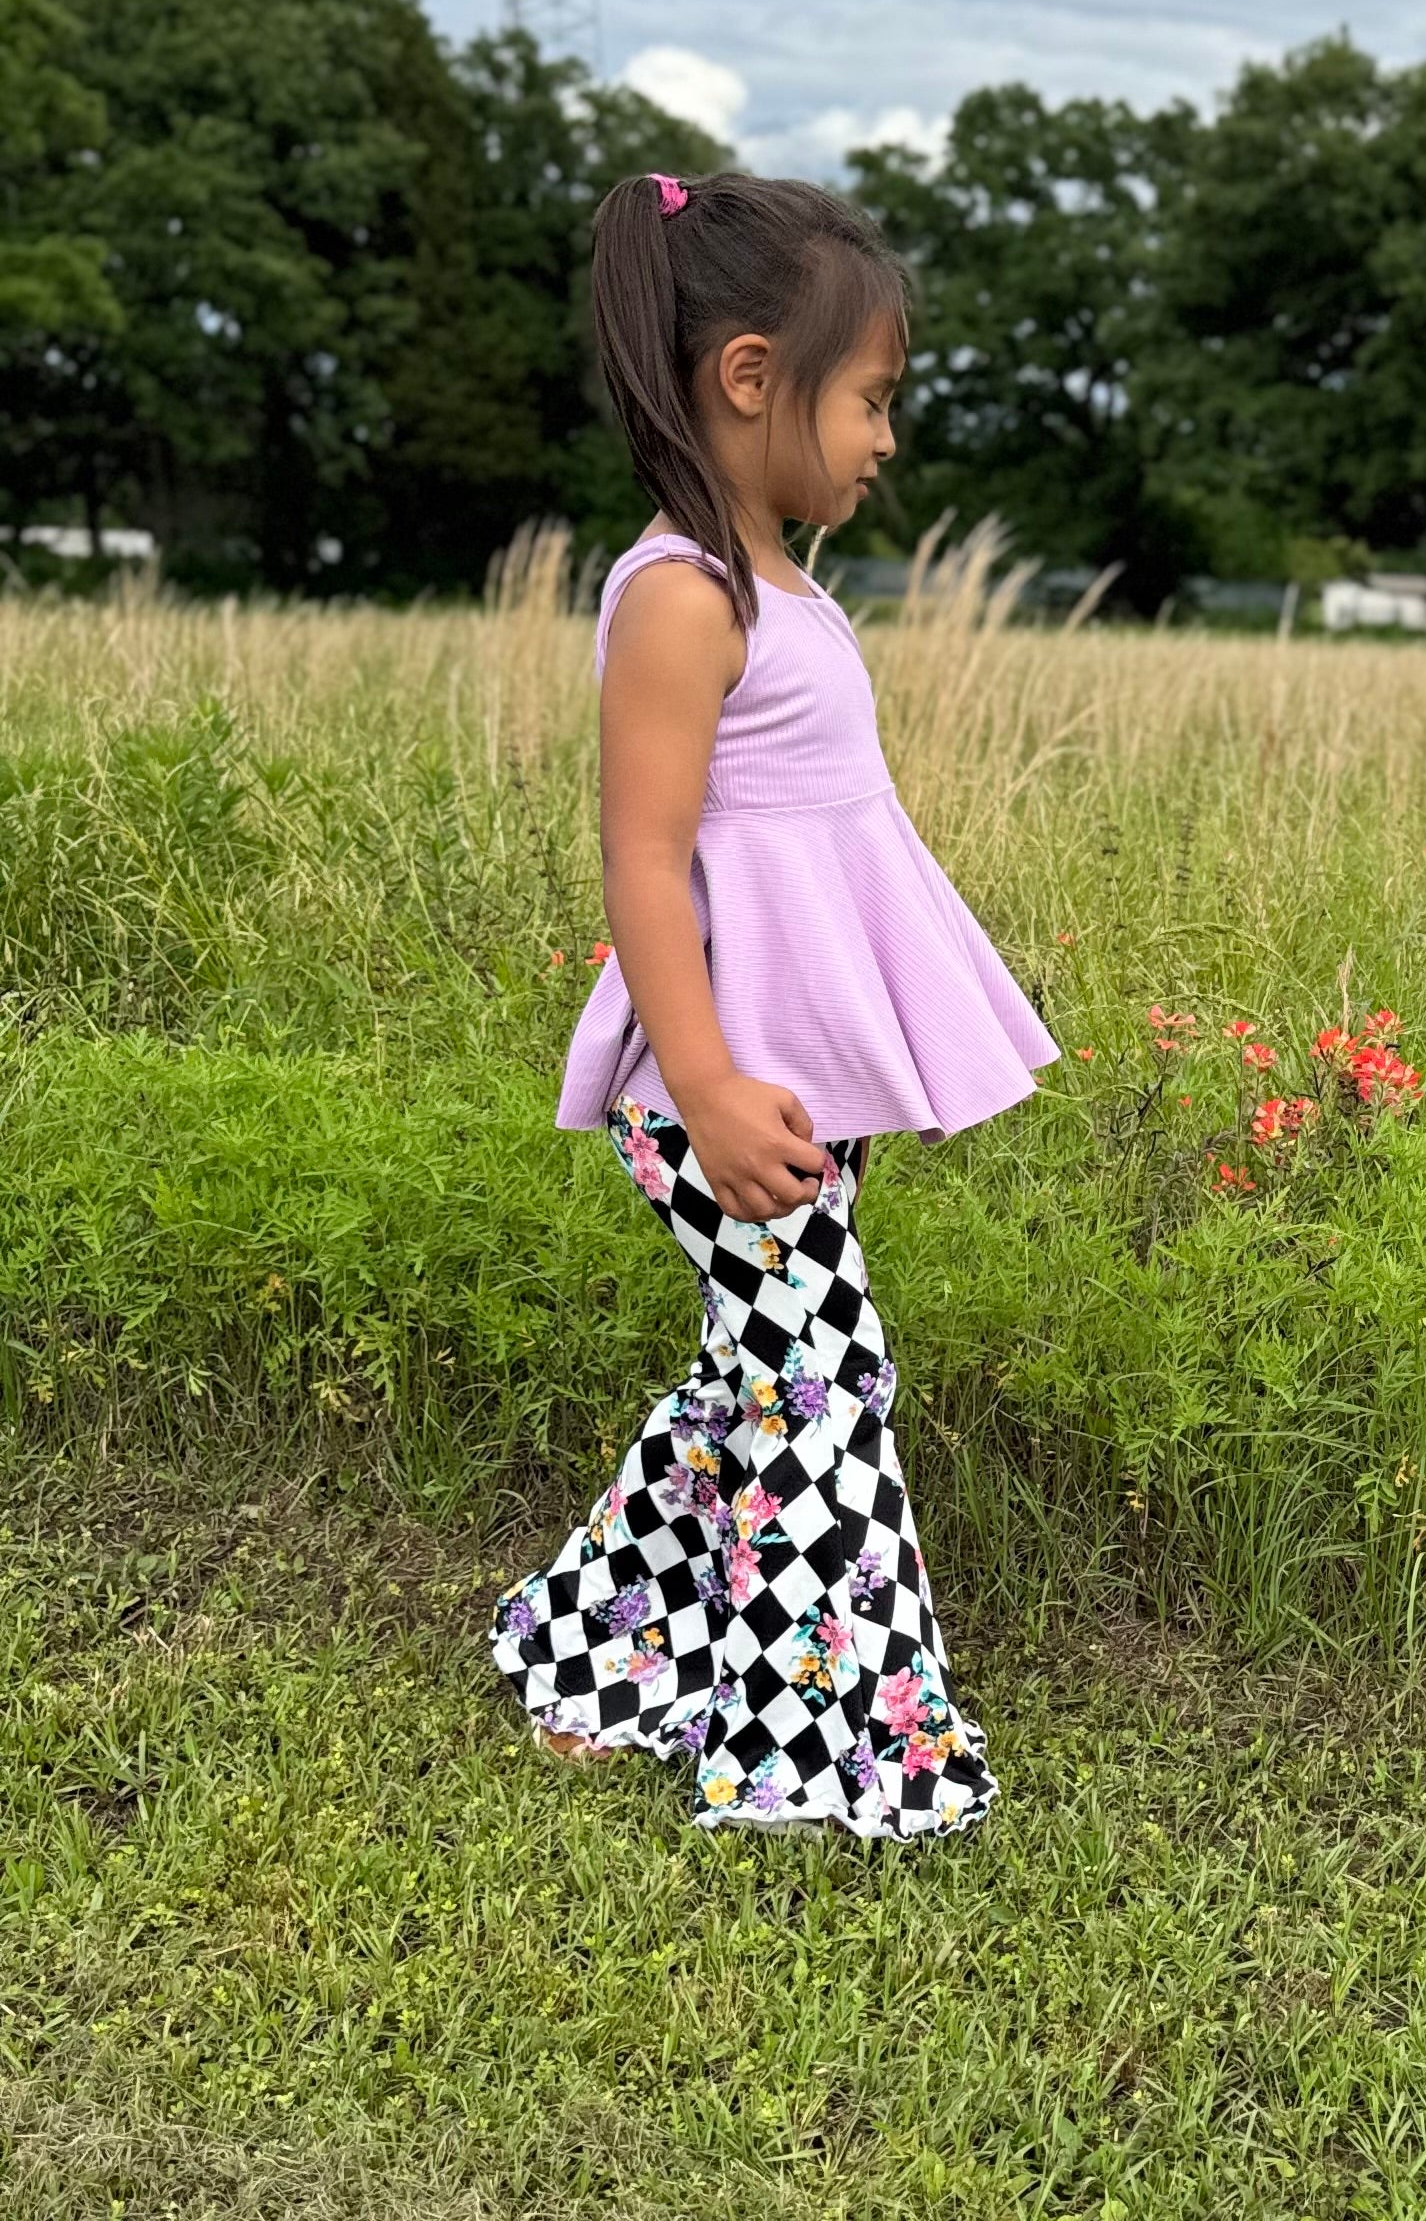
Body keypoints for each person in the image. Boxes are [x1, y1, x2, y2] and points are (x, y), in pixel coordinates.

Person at [490, 168, 1057, 1838]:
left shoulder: (775, 586)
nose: (886, 439)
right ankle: (828, 1752)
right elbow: (647, 866)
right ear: (751, 378)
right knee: (823, 1381)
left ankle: (593, 1662)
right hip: (717, 1093)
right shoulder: (682, 594)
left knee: (772, 1375)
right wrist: (717, 1083)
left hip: (783, 1086)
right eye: (871, 398)